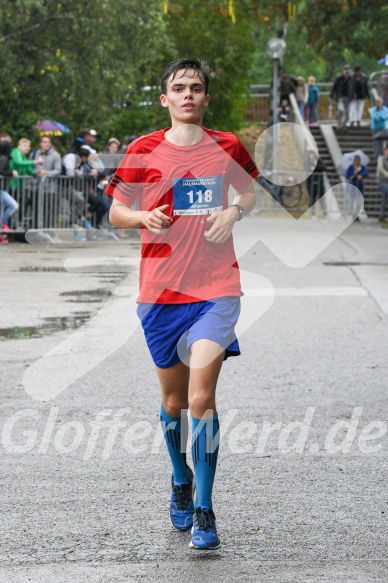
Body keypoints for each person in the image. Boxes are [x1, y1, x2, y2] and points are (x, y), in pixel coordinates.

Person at [107, 57, 258, 550]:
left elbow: (251, 193)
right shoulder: (142, 149)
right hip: (160, 295)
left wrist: (234, 210)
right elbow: (116, 210)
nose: (188, 94)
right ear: (165, 98)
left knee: (200, 400)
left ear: (206, 98)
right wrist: (143, 218)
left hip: (217, 288)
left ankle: (205, 510)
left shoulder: (227, 145)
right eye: (179, 88)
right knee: (172, 403)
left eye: (196, 87)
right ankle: (180, 477)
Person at [0, 139, 19, 239]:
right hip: (1, 189)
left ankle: (2, 229)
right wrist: (12, 173)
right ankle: (3, 224)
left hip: (2, 188)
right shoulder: (3, 158)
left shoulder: (3, 157)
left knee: (2, 209)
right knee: (14, 205)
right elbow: (1, 171)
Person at [345, 155, 369, 219]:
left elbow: (366, 172)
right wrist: (354, 174)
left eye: (358, 160)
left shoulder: (361, 167)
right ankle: (352, 214)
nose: (357, 162)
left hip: (359, 187)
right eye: (356, 160)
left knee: (359, 202)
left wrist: (361, 175)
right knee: (351, 202)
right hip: (352, 187)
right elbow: (347, 175)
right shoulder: (351, 167)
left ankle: (356, 214)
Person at [305, 150, 326, 217]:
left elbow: (323, 167)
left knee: (321, 198)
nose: (311, 156)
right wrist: (315, 168)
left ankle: (324, 212)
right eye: (310, 155)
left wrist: (314, 167)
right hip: (311, 183)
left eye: (312, 155)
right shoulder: (307, 162)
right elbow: (308, 168)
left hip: (319, 183)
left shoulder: (318, 161)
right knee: (312, 199)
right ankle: (313, 213)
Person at [330, 65, 351, 130]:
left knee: (347, 113)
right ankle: (339, 124)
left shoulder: (351, 78)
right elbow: (335, 87)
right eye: (345, 70)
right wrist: (332, 94)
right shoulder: (339, 78)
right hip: (340, 97)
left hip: (348, 97)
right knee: (341, 111)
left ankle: (342, 125)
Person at [377, 146, 388, 222]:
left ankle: (381, 215)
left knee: (384, 199)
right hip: (382, 181)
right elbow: (380, 168)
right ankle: (381, 214)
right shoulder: (381, 158)